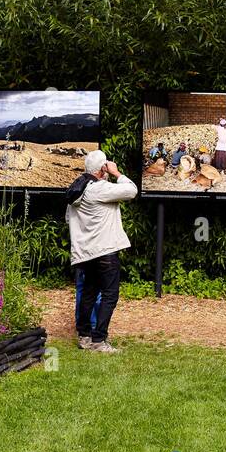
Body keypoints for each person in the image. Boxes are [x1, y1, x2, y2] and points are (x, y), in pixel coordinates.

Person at [65, 150, 137, 352]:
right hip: (105, 252)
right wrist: (117, 173)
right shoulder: (99, 189)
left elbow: (69, 219)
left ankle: (84, 336)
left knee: (88, 293)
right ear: (102, 169)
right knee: (110, 294)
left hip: (85, 254)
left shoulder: (76, 191)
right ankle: (99, 340)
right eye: (106, 166)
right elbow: (131, 190)